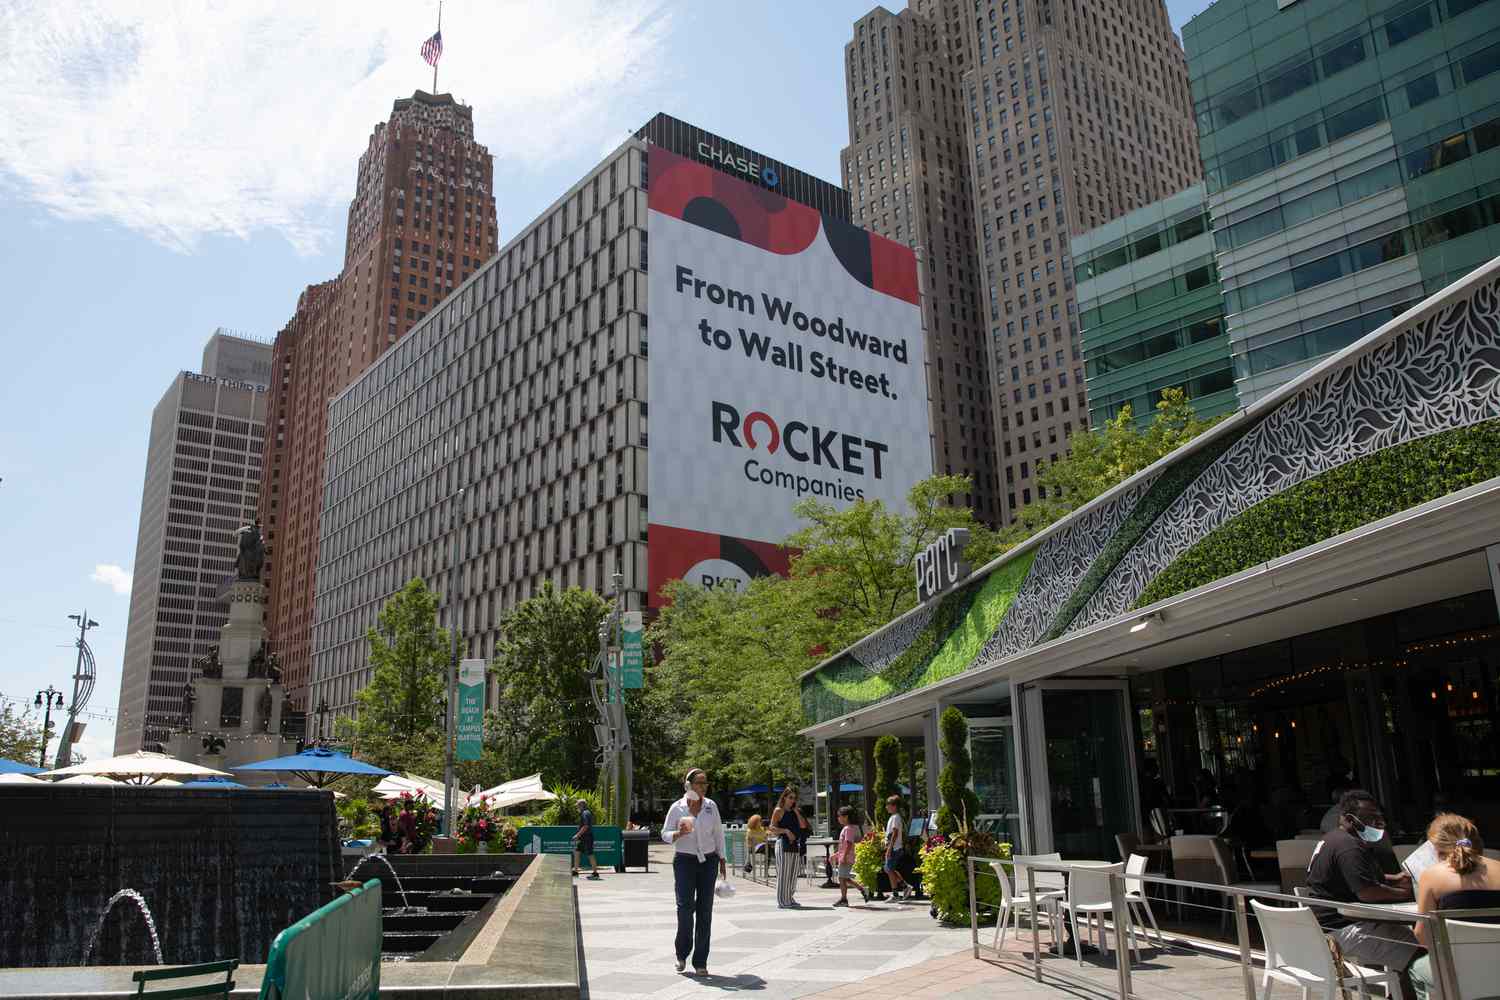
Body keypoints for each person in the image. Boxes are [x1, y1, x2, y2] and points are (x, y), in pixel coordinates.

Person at [1305, 789, 1419, 972]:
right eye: (1370, 817)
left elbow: (1355, 877)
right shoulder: (1349, 846)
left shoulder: (1334, 838)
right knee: (1420, 953)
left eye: (1378, 816)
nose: (1377, 823)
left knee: (1413, 941)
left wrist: (1394, 879)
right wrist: (1406, 894)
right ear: (1350, 820)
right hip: (1342, 930)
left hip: (1328, 926)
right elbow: (1367, 893)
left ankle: (1401, 986)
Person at [1410, 813, 1500, 1000]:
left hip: (1457, 970)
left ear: (1435, 847)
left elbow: (1423, 936)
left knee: (1417, 969)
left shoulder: (1431, 876)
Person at [662, 768, 727, 977]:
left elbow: (718, 833)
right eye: (699, 782)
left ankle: (700, 961)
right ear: (688, 785)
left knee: (705, 911)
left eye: (705, 783)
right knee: (684, 909)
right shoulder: (677, 807)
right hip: (684, 861)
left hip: (708, 861)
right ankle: (681, 954)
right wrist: (678, 833)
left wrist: (722, 858)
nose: (703, 786)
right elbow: (664, 834)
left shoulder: (710, 806)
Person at [767, 788, 807, 908]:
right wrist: (786, 831)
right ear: (784, 797)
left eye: (794, 798)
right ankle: (782, 901)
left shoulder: (795, 811)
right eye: (790, 797)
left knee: (793, 874)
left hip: (794, 845)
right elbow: (771, 828)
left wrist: (796, 812)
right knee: (784, 873)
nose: (792, 800)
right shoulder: (778, 810)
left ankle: (789, 897)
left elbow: (803, 826)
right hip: (783, 844)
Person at [833, 806, 868, 907]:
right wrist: (837, 854)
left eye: (839, 816)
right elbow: (844, 845)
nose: (838, 818)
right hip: (846, 856)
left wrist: (843, 856)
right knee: (844, 878)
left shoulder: (848, 829)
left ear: (846, 817)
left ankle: (844, 899)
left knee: (842, 878)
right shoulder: (849, 828)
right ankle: (862, 889)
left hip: (846, 858)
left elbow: (849, 844)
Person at [883, 794, 913, 900]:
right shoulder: (893, 817)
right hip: (894, 847)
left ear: (894, 806)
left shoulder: (896, 817)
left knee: (889, 869)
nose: (886, 807)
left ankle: (896, 894)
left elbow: (894, 834)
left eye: (888, 805)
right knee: (889, 869)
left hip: (894, 848)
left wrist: (889, 848)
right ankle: (905, 886)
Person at [573, 798, 600, 880]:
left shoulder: (585, 813)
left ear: (581, 805)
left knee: (590, 854)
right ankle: (575, 871)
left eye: (577, 806)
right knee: (577, 852)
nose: (577, 807)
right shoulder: (585, 813)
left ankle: (595, 873)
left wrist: (577, 835)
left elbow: (586, 826)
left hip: (587, 837)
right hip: (584, 837)